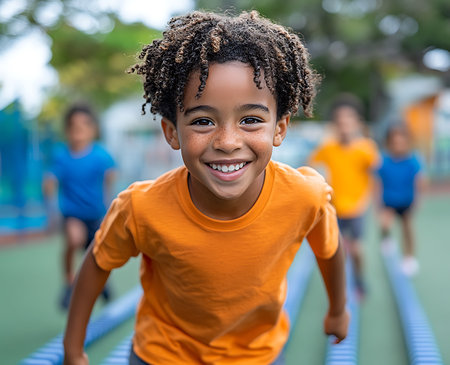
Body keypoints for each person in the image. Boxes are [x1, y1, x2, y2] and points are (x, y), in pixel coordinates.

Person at [63, 11, 349, 365]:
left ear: (280, 127)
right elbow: (96, 264)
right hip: (161, 355)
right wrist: (73, 349)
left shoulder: (305, 195)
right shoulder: (141, 207)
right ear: (172, 132)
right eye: (202, 121)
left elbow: (330, 249)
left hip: (257, 355)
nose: (228, 142)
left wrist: (338, 309)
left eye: (251, 120)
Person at [43, 103, 116, 309]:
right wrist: (51, 210)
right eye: (73, 126)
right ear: (67, 130)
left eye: (84, 126)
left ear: (93, 129)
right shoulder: (61, 155)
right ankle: (68, 282)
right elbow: (50, 180)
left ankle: (102, 283)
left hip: (95, 213)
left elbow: (110, 177)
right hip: (72, 213)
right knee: (75, 240)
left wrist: (108, 207)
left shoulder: (101, 155)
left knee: (98, 254)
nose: (78, 131)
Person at [308, 95, 379, 299]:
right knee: (336, 251)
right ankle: (339, 287)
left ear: (357, 122)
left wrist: (372, 201)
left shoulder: (366, 148)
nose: (344, 124)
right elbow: (309, 165)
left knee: (356, 250)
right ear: (335, 125)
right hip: (334, 208)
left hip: (356, 208)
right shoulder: (328, 147)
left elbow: (376, 174)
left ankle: (359, 279)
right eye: (340, 121)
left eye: (349, 119)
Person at [376, 124, 424, 276]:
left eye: (401, 142)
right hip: (389, 201)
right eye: (394, 142)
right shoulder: (384, 160)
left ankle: (409, 258)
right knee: (384, 224)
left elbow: (420, 181)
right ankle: (387, 239)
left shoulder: (413, 160)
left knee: (407, 228)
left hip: (406, 201)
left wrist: (418, 200)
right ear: (389, 143)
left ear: (407, 142)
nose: (398, 145)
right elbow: (377, 182)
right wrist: (377, 203)